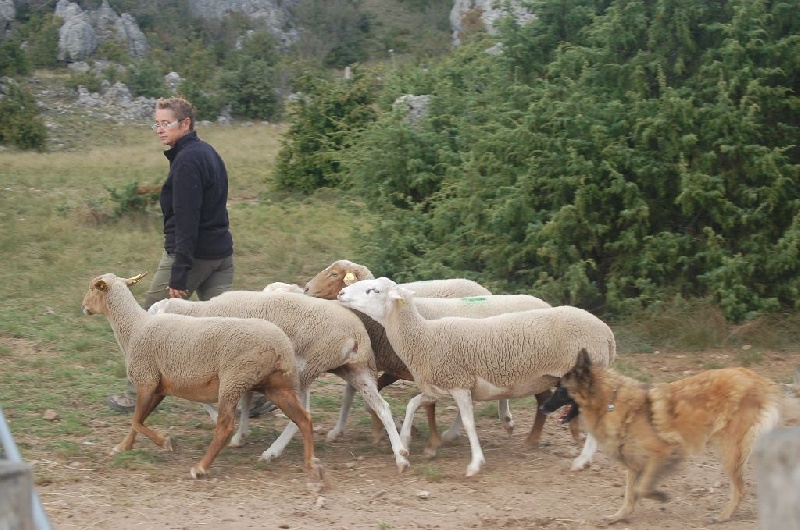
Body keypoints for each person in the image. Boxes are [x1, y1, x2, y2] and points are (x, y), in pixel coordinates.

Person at [107, 97, 272, 417]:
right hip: (221, 254)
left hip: (191, 257)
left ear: (185, 124)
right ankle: (256, 398)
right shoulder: (207, 152)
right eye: (156, 123)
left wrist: (180, 272)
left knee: (146, 320)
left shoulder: (186, 162)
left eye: (165, 123)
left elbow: (187, 220)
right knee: (229, 330)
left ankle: (137, 395)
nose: (159, 129)